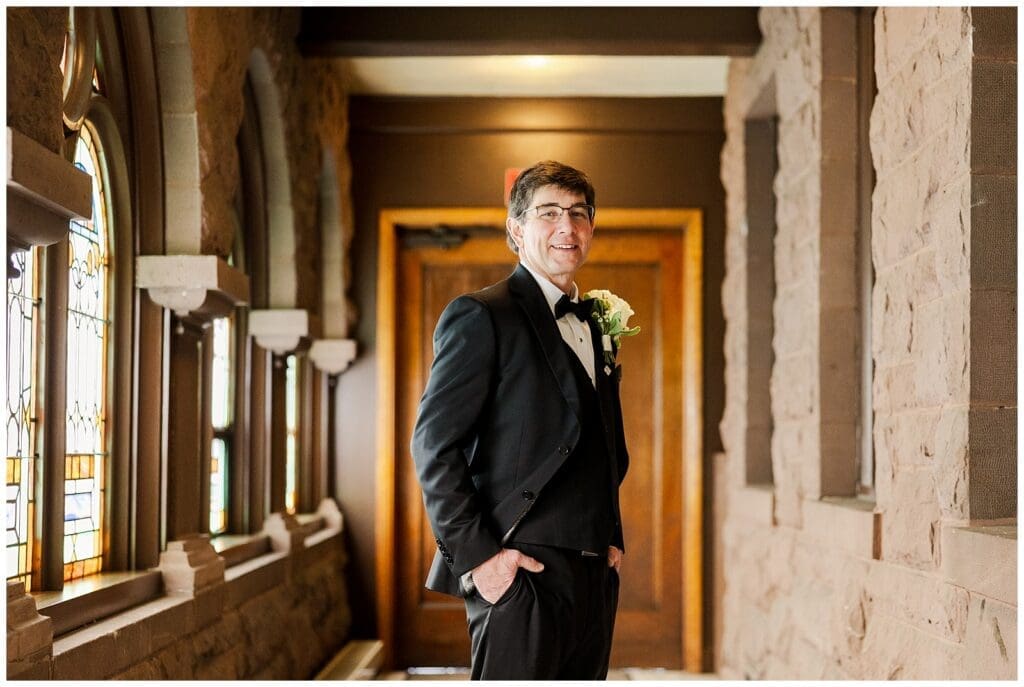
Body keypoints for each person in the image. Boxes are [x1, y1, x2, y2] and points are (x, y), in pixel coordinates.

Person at [410, 160, 630, 680]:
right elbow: (433, 446)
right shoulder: (482, 315)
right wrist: (481, 560)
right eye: (548, 212)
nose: (566, 226)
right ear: (516, 229)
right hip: (518, 569)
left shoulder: (596, 326)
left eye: (578, 213)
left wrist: (610, 537)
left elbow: (603, 443)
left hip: (593, 574)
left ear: (591, 227)